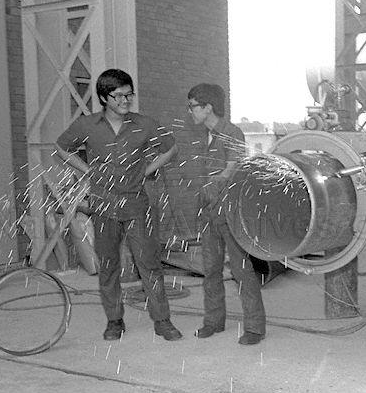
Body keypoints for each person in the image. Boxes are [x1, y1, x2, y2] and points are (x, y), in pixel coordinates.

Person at [55, 68, 182, 341]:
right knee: (109, 264)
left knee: (149, 263)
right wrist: (87, 170)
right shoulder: (86, 126)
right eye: (120, 95)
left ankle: (162, 321)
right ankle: (114, 321)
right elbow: (62, 147)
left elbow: (171, 147)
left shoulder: (144, 124)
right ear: (104, 97)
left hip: (137, 204)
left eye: (129, 94)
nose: (126, 100)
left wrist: (148, 169)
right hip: (104, 205)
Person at [186, 83, 266, 345]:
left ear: (208, 107)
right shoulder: (202, 136)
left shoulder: (233, 132)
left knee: (242, 270)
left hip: (230, 212)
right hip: (208, 213)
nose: (190, 112)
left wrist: (211, 184)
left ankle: (254, 327)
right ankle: (213, 321)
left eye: (193, 106)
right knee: (210, 270)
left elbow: (232, 168)